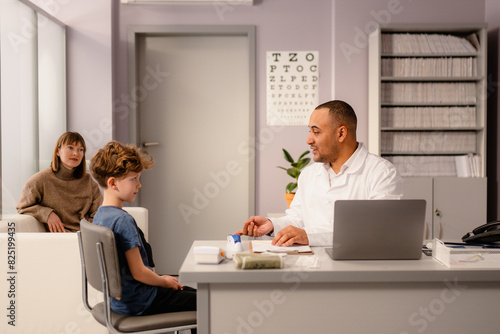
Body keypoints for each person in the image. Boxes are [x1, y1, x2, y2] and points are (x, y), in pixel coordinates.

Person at [236, 100, 402, 247]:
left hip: (358, 270)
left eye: (316, 132)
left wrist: (310, 236)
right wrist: (272, 225)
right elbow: (297, 218)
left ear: (341, 133)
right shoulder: (309, 174)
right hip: (313, 267)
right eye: (309, 131)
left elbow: (378, 230)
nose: (308, 140)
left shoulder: (381, 173)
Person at [89, 141, 196, 321]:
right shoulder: (123, 220)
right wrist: (163, 280)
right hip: (141, 300)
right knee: (206, 300)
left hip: (121, 301)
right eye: (134, 179)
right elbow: (139, 272)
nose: (139, 185)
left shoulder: (100, 216)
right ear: (113, 183)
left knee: (189, 292)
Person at [16, 131, 102, 232]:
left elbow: (99, 214)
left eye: (81, 150)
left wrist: (90, 233)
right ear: (58, 151)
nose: (76, 153)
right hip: (58, 239)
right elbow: (22, 207)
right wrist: (47, 214)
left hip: (86, 237)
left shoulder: (89, 182)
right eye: (70, 147)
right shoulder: (40, 180)